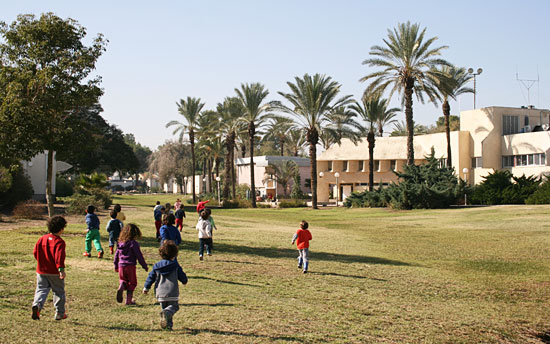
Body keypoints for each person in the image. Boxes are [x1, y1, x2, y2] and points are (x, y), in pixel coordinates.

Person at [143, 240, 188, 330]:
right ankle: (167, 316)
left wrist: (146, 287)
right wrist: (184, 281)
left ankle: (168, 326)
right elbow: (181, 275)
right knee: (173, 307)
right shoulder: (175, 265)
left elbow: (150, 277)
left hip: (160, 293)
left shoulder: (157, 266)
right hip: (172, 292)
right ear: (175, 254)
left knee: (165, 310)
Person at [32, 216, 68, 320]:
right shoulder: (59, 242)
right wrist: (61, 270)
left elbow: (35, 252)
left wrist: (41, 262)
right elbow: (59, 258)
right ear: (61, 228)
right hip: (54, 272)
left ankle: (37, 305)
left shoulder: (42, 238)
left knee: (41, 289)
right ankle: (60, 313)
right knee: (58, 291)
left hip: (41, 270)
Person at [114, 224, 148, 305]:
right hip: (130, 266)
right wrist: (144, 266)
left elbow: (116, 255)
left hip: (121, 266)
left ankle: (122, 285)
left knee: (123, 280)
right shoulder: (134, 244)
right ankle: (128, 301)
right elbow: (139, 255)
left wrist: (116, 265)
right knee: (132, 283)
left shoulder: (120, 243)